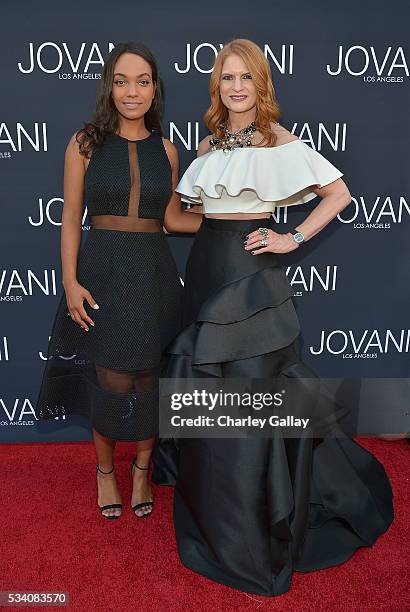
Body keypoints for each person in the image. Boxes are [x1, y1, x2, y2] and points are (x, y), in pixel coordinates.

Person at [152, 39, 394, 596]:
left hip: (250, 279)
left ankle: (254, 525)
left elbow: (339, 194)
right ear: (217, 86)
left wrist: (293, 238)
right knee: (213, 399)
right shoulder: (209, 143)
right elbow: (193, 214)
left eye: (246, 78)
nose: (236, 87)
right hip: (208, 272)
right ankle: (216, 510)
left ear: (261, 85)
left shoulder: (278, 139)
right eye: (227, 78)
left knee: (254, 398)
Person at [35, 42, 202, 520]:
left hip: (154, 276)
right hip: (102, 273)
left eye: (143, 81)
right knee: (109, 378)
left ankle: (143, 470)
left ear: (155, 90)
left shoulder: (167, 151)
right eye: (123, 81)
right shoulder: (85, 143)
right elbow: (70, 218)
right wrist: (69, 281)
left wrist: (226, 215)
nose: (132, 91)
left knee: (149, 378)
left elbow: (172, 218)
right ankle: (106, 471)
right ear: (109, 86)